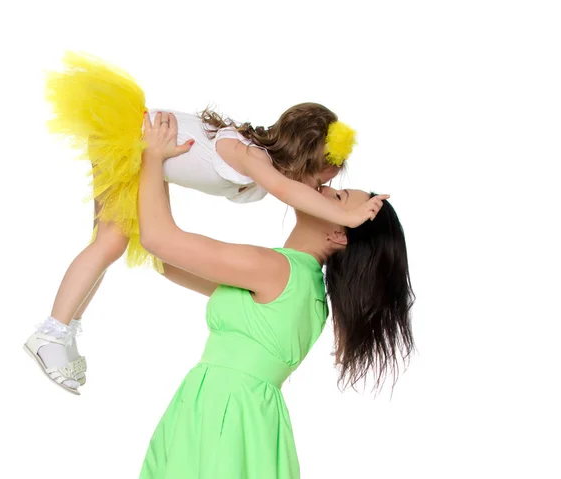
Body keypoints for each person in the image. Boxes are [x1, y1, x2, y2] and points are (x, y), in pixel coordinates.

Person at [23, 52, 366, 394]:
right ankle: (51, 332)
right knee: (111, 241)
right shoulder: (250, 156)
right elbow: (286, 189)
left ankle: (64, 331)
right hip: (132, 136)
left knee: (112, 239)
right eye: (321, 182)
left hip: (143, 153)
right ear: (301, 159)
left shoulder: (258, 179)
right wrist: (346, 215)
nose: (320, 192)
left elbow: (169, 261)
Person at [137, 111, 415, 478]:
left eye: (339, 196)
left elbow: (158, 240)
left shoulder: (277, 271)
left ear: (339, 234)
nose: (325, 190)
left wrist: (154, 158)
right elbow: (170, 263)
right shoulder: (305, 288)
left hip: (224, 412)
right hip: (235, 411)